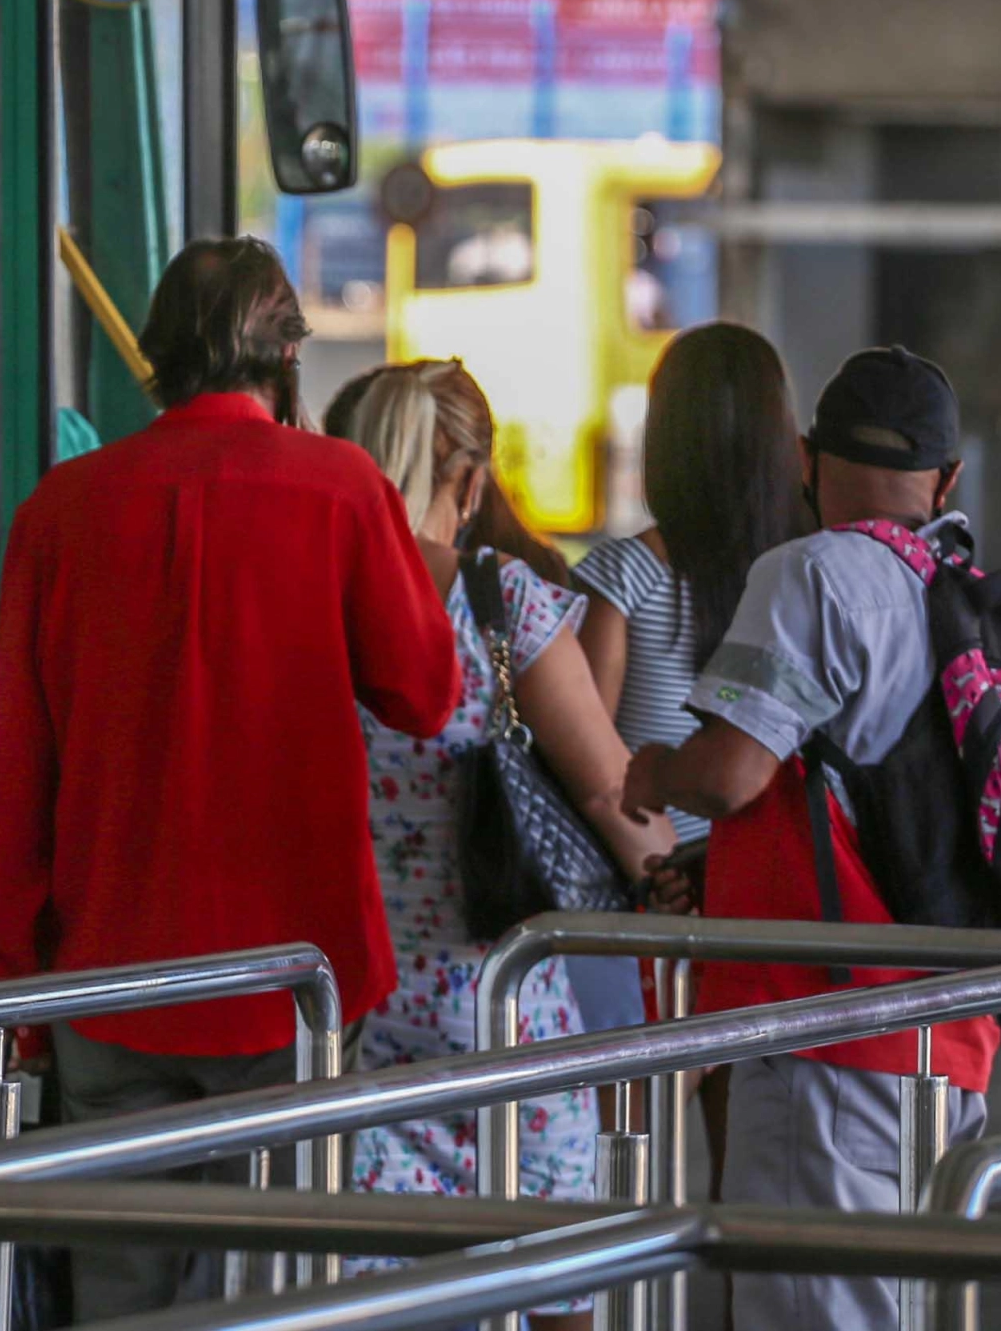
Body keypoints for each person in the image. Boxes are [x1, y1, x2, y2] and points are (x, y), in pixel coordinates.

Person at [0, 238, 463, 1322]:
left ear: (154, 360)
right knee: (279, 1293)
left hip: (105, 976)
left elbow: (23, 771)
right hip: (294, 984)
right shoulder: (340, 491)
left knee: (122, 1300)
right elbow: (424, 696)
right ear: (288, 361)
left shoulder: (59, 509)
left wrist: (19, 970)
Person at [622, 346, 994, 1331]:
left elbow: (732, 772)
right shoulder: (969, 596)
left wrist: (655, 770)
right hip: (951, 1045)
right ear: (947, 479)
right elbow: (885, 806)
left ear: (804, 457)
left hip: (831, 1049)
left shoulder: (814, 573)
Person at [334, 360, 673, 1329]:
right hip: (503, 1025)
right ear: (472, 483)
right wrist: (679, 879)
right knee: (554, 1283)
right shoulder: (500, 601)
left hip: (351, 1028)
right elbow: (610, 788)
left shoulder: (312, 596)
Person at [570, 323, 806, 1049]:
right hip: (779, 904)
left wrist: (658, 879)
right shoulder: (808, 580)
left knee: (641, 1144)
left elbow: (592, 762)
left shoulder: (624, 580)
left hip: (651, 908)